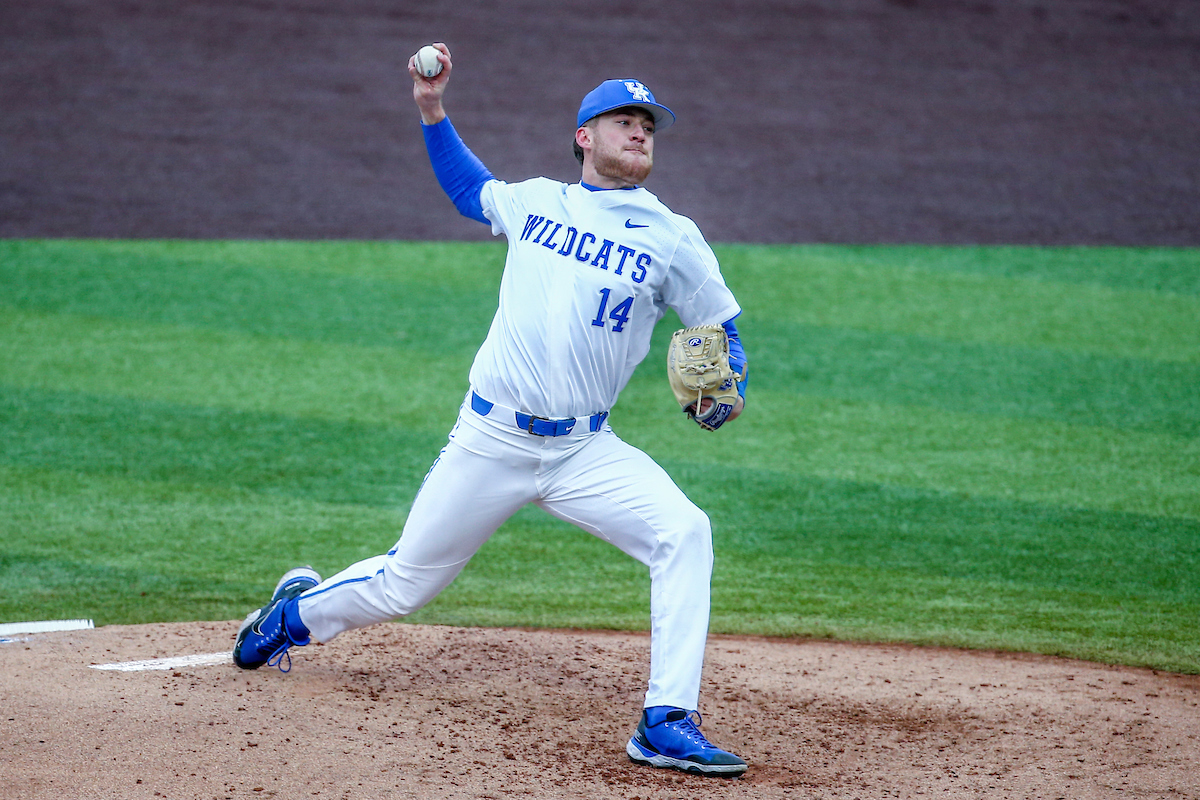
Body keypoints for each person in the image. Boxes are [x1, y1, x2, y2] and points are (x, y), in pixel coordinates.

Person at [233, 42, 750, 778]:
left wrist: (728, 387)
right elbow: (467, 187)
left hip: (584, 452)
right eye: (624, 122)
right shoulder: (536, 201)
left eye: (648, 126)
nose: (640, 133)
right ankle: (293, 615)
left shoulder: (673, 236)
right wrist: (431, 108)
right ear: (585, 136)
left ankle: (665, 721)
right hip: (491, 439)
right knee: (405, 584)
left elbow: (719, 328)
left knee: (685, 531)